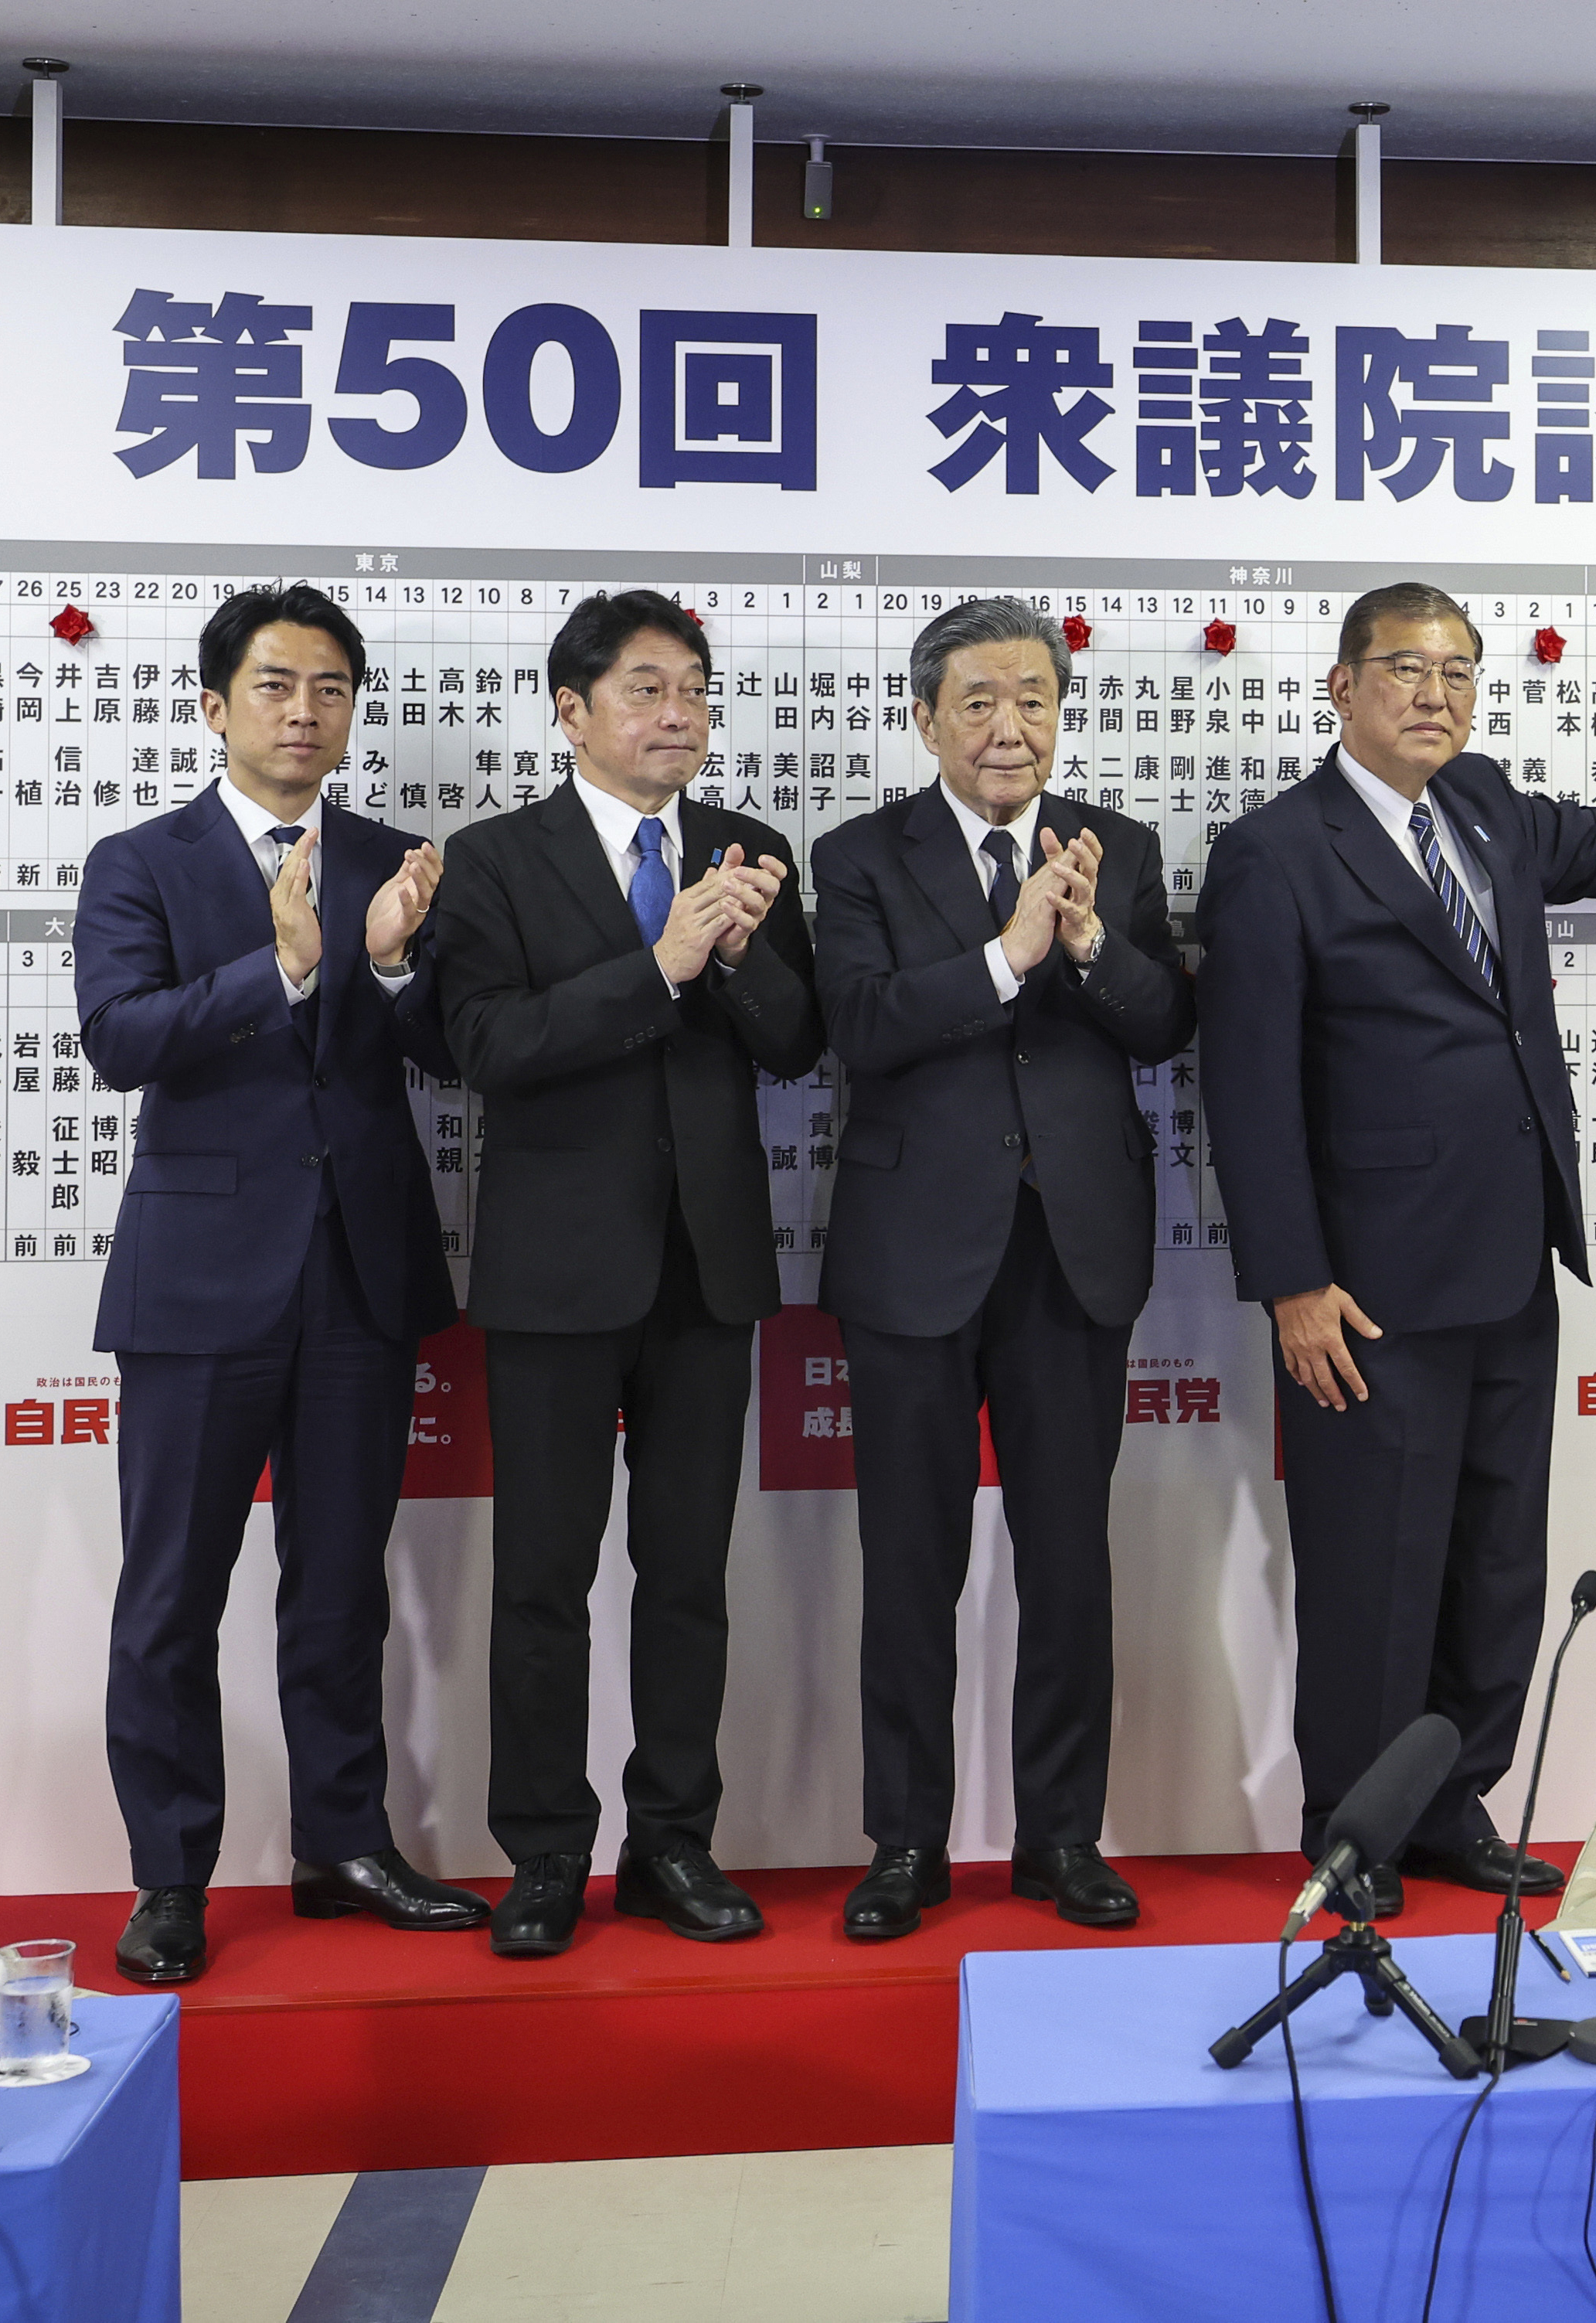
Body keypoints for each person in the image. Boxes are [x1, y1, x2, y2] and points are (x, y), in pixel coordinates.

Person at [1197, 582, 1596, 1916]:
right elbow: (1246, 1088)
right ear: (1342, 687)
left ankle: (1450, 1800)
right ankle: (1354, 1827)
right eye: (1406, 669)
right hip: (1367, 1287)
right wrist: (1293, 1283)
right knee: (1374, 1570)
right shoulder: (1275, 852)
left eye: (1459, 672)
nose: (1436, 694)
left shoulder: (1482, 806)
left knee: (1495, 1560)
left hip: (1510, 1257)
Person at [77, 584, 485, 1984]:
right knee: (172, 1592)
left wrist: (395, 964)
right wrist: (284, 971)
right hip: (199, 1282)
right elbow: (119, 1037)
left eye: (329, 687)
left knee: (341, 1586)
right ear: (214, 704)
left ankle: (344, 1843)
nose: (304, 711)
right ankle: (170, 1875)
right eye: (274, 684)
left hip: (361, 1271)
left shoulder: (391, 861)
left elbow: (451, 1053)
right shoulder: (142, 860)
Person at [425, 589, 822, 1957]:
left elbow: (795, 1046)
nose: (678, 713)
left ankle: (673, 1843)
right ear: (572, 709)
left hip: (709, 1268)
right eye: (647, 688)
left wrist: (742, 951)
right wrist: (661, 963)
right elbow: (485, 1044)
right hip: (554, 1274)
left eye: (695, 689)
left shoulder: (750, 851)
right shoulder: (494, 859)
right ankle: (544, 1851)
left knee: (688, 1573)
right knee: (541, 1578)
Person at [812, 598, 1196, 1941]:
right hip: (914, 1251)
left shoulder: (1117, 849)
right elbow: (857, 1024)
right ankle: (904, 1842)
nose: (1009, 726)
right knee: (909, 1563)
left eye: (1034, 698)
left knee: (1070, 1562)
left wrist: (1087, 944)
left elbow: (1166, 1021)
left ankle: (1062, 1837)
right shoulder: (858, 854)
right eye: (978, 701)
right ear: (927, 719)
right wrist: (1006, 955)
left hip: (1071, 1250)